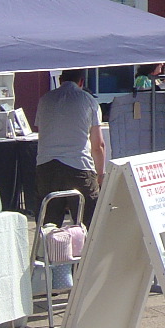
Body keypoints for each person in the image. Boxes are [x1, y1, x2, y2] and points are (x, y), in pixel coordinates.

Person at [35, 69, 105, 226]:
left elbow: (43, 131)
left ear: (60, 79)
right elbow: (98, 145)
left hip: (47, 166)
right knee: (88, 225)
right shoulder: (88, 101)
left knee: (49, 227)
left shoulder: (45, 99)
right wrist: (100, 174)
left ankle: (50, 251)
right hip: (78, 166)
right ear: (81, 81)